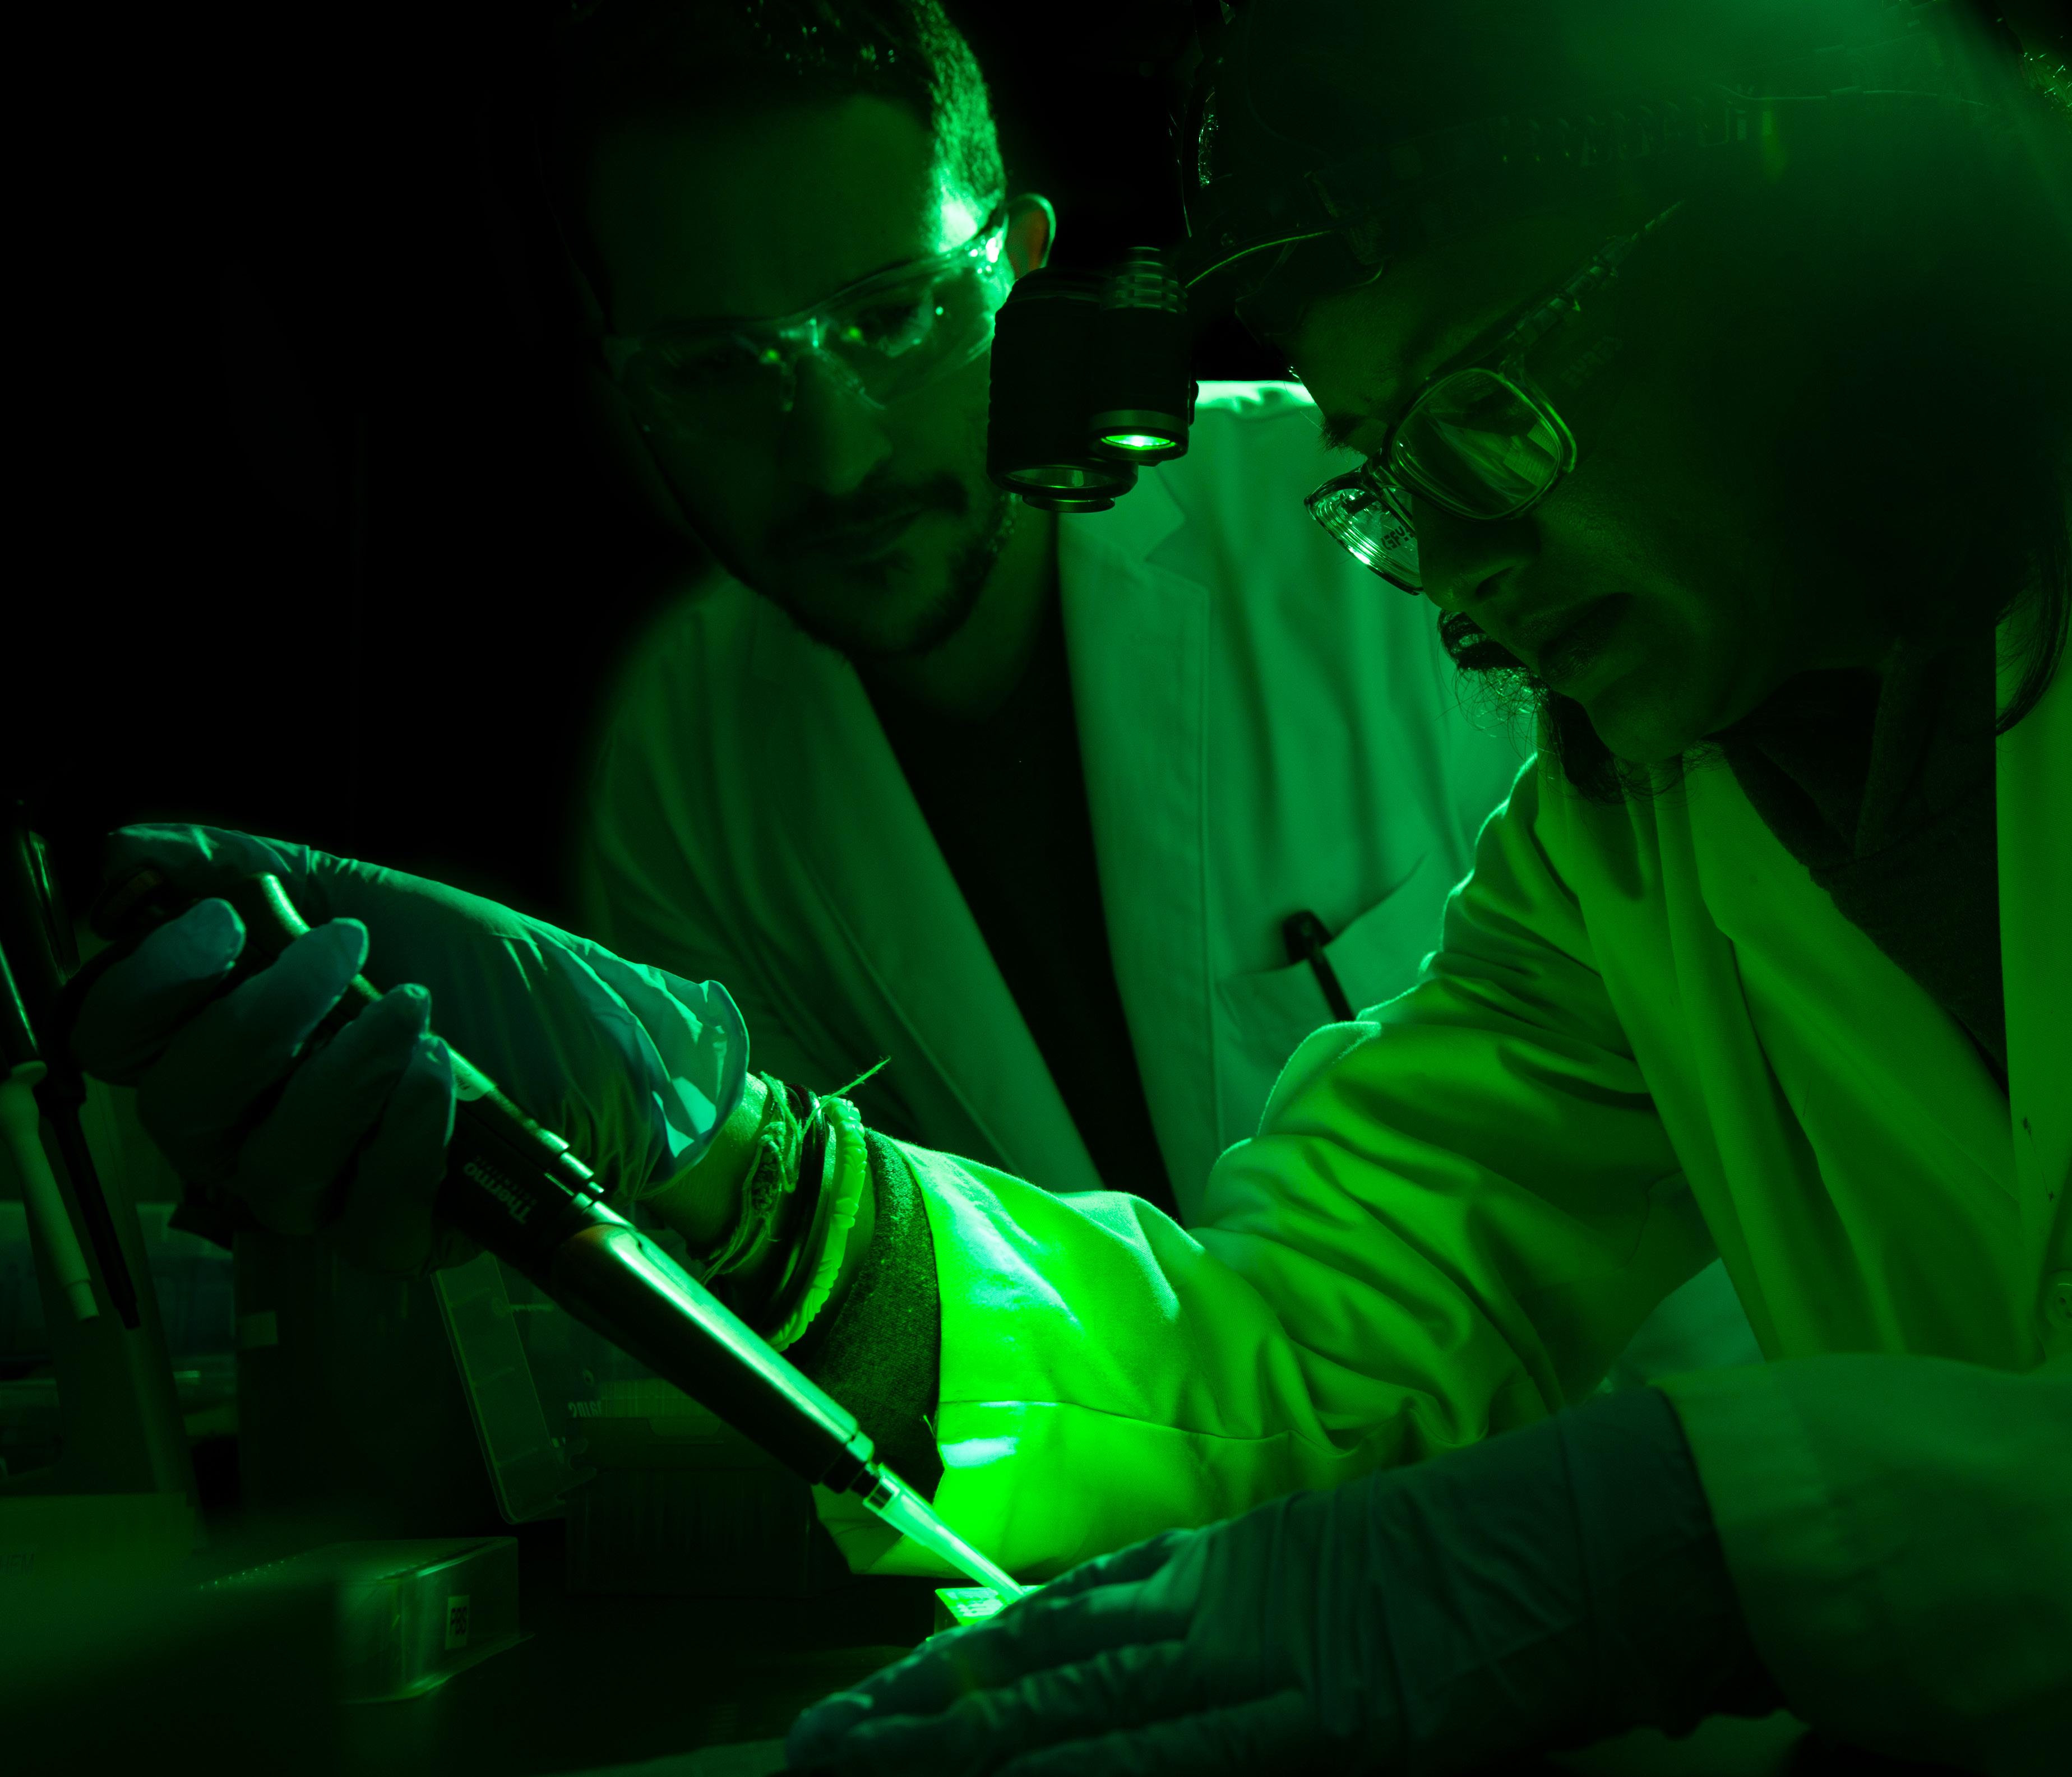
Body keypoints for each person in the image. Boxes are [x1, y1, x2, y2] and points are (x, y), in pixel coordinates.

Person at [64, 0, 2070, 1771]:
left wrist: (1714, 1541)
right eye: (1389, 476)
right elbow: (1297, 1351)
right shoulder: (1629, 834)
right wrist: (736, 1172)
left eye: (1491, 418)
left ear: (1814, 260)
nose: (1455, 597)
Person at [544, 1, 1755, 1374]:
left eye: (891, 317)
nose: (835, 458)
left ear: (1020, 264)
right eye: (715, 368)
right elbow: (806, 1320)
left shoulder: (1399, 529)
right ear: (620, 379)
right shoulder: (680, 766)